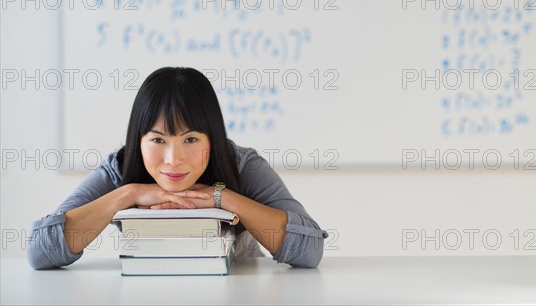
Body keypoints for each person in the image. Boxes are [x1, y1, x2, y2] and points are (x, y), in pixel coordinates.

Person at [27, 67, 327, 269]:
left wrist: (220, 198)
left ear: (213, 135)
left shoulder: (241, 164)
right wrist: (128, 194)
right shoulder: (120, 169)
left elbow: (310, 249)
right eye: (158, 139)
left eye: (191, 139)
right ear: (138, 138)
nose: (173, 159)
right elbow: (40, 251)